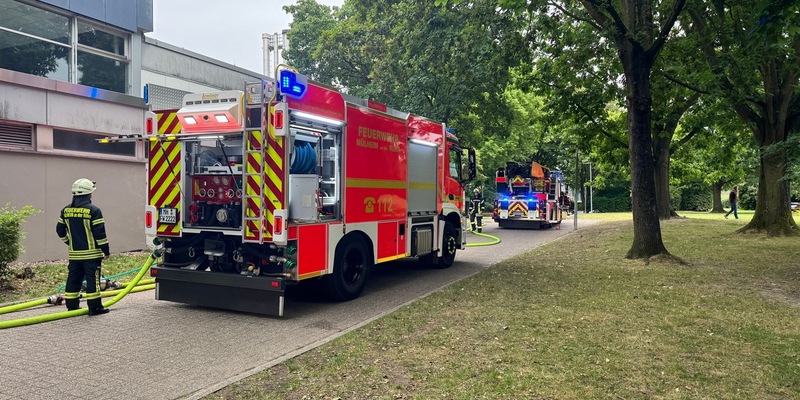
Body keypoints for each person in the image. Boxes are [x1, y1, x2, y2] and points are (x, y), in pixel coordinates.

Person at [56, 178, 111, 315]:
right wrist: (106, 250)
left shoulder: (65, 210)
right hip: (92, 255)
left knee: (74, 279)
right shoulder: (94, 210)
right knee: (93, 280)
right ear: (89, 194)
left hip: (74, 254)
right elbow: (100, 233)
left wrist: (69, 242)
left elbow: (60, 230)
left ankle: (72, 306)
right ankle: (95, 307)